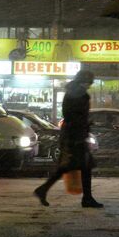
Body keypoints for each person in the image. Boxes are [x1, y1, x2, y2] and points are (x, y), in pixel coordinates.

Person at [33, 70, 103, 208]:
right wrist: (85, 125)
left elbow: (71, 115)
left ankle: (44, 189)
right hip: (75, 135)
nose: (90, 84)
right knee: (76, 166)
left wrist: (83, 125)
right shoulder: (81, 94)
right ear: (86, 81)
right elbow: (77, 116)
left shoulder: (71, 92)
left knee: (73, 166)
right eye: (90, 81)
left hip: (72, 134)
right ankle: (86, 198)